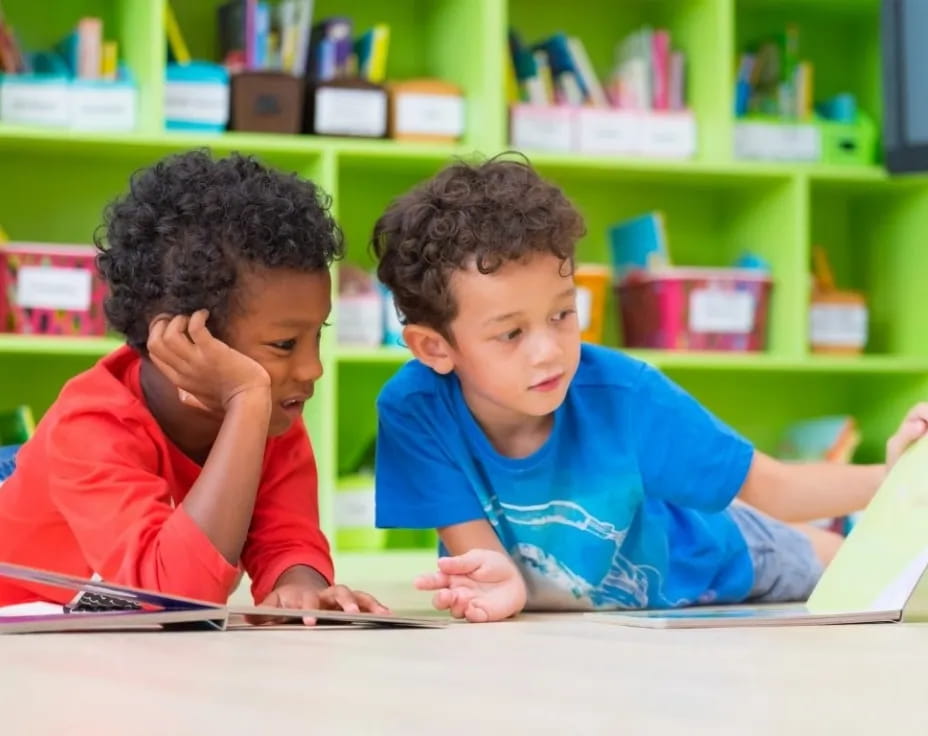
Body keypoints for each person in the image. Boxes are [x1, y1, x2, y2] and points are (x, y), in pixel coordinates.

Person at [371, 155, 928, 623]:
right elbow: (490, 566)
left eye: (564, 314)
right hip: (617, 614)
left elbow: (774, 489)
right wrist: (498, 586)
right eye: (511, 333)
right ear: (434, 348)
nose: (549, 350)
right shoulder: (414, 410)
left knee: (868, 578)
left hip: (724, 556)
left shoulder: (626, 393)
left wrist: (900, 477)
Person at [0, 150, 386, 620]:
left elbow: (286, 537)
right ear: (182, 340)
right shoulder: (90, 426)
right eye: (285, 344)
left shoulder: (271, 418)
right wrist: (245, 400)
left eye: (316, 336)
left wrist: (301, 588)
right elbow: (176, 600)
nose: (313, 370)